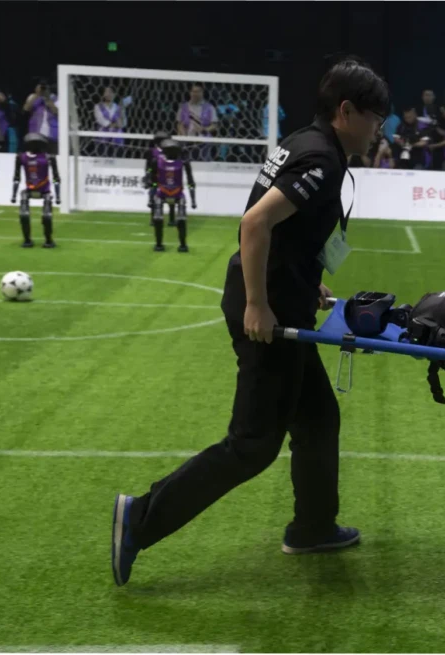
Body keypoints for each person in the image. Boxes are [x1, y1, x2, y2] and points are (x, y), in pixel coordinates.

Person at [111, 57, 389, 587]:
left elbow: (284, 233)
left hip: (282, 301)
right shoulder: (321, 161)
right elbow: (255, 221)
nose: (380, 130)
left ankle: (312, 526)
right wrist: (259, 303)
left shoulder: (308, 142)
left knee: (316, 419)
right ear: (347, 111)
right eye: (376, 118)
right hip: (267, 316)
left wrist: (306, 283)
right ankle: (140, 518)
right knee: (252, 444)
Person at [10, 133, 61, 249]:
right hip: (29, 189)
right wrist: (13, 194)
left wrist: (58, 196)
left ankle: (48, 239)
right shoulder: (21, 157)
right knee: (24, 214)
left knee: (47, 215)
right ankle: (27, 239)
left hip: (45, 189)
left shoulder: (48, 158)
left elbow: (56, 177)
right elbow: (16, 177)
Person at [146, 138, 197, 252]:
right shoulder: (157, 161)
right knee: (158, 218)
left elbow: (191, 182)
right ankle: (159, 243)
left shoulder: (183, 162)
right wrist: (151, 192)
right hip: (162, 192)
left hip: (178, 193)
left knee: (182, 219)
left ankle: (183, 244)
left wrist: (193, 199)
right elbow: (153, 179)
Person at [177, 83, 219, 160]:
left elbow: (214, 125)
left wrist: (204, 130)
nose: (195, 94)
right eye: (193, 91)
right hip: (187, 140)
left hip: (203, 140)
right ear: (190, 92)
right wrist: (184, 136)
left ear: (202, 92)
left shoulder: (209, 107)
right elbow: (180, 124)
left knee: (202, 161)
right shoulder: (183, 107)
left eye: (198, 91)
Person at [23, 80, 58, 145]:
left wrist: (47, 99)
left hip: (51, 132)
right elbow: (26, 109)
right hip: (36, 132)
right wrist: (37, 95)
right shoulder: (33, 96)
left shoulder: (55, 97)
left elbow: (56, 112)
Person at [93, 86, 125, 156]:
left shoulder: (118, 107)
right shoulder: (98, 106)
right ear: (103, 94)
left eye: (110, 92)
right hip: (102, 138)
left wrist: (119, 123)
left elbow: (121, 123)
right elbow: (100, 120)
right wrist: (114, 125)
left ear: (114, 94)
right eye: (106, 92)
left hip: (116, 139)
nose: (108, 94)